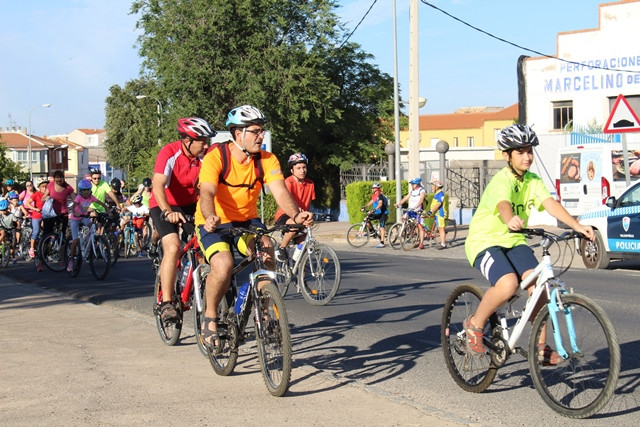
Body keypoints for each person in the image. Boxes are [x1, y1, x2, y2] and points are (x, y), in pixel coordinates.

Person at [463, 124, 594, 364]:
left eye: (530, 151)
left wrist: (576, 226)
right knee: (508, 285)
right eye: (520, 151)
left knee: (540, 287)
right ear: (507, 155)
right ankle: (475, 324)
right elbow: (503, 204)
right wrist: (509, 217)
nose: (527, 157)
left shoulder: (532, 180)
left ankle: (540, 347)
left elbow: (549, 203)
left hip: (514, 240)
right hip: (485, 241)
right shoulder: (500, 180)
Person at [196, 105, 313, 352]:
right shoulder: (216, 156)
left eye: (262, 131)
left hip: (246, 221)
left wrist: (296, 214)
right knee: (224, 265)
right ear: (238, 134)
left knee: (266, 249)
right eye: (256, 131)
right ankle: (210, 317)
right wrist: (209, 216)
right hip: (214, 221)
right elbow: (206, 191)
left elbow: (280, 190)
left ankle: (267, 311)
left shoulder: (267, 159)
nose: (261, 135)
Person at [150, 117, 214, 322]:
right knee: (173, 246)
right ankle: (167, 303)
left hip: (191, 205)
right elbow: (158, 185)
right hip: (164, 203)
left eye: (207, 141)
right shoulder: (169, 152)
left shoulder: (206, 157)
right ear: (187, 141)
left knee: (207, 244)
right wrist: (168, 212)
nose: (206, 145)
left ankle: (204, 286)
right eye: (202, 141)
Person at [273, 152, 316, 261]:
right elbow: (288, 202)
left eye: (304, 167)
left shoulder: (310, 183)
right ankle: (281, 248)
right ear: (292, 170)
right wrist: (300, 213)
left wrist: (309, 217)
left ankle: (299, 271)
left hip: (302, 216)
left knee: (305, 245)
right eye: (298, 168)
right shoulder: (288, 182)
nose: (302, 171)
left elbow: (308, 204)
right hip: (285, 215)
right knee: (295, 224)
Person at [68, 179, 109, 272]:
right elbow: (73, 206)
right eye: (84, 190)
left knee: (92, 226)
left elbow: (101, 203)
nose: (86, 192)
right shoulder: (78, 198)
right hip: (75, 219)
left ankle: (92, 241)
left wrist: (108, 211)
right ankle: (71, 261)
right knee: (75, 240)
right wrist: (74, 213)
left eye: (88, 190)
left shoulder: (91, 197)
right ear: (80, 191)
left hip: (84, 217)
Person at [394, 177, 427, 249]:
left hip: (418, 210)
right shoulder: (412, 191)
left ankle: (421, 243)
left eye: (413, 184)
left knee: (420, 226)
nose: (411, 185)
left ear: (417, 184)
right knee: (403, 218)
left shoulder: (422, 190)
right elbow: (406, 198)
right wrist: (399, 203)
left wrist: (416, 206)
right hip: (411, 209)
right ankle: (407, 230)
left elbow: (421, 200)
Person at [42, 170, 75, 236]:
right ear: (54, 180)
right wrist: (46, 198)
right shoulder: (50, 185)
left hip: (63, 213)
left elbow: (75, 200)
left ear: (63, 178)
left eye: (60, 181)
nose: (59, 183)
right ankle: (45, 245)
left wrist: (75, 208)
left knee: (62, 234)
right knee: (47, 233)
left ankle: (61, 244)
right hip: (50, 213)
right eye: (56, 181)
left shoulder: (68, 187)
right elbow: (42, 198)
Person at [23, 180, 47, 262]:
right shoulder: (36, 194)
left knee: (47, 232)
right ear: (40, 188)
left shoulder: (49, 195)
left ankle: (46, 249)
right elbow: (27, 203)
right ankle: (32, 248)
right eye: (42, 187)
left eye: (45, 187)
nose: (44, 188)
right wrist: (34, 209)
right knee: (36, 231)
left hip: (46, 216)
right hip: (36, 216)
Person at [362, 182, 388, 248]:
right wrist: (364, 206)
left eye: (373, 188)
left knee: (381, 228)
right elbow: (371, 202)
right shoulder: (375, 196)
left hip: (383, 213)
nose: (372, 189)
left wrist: (374, 209)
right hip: (377, 213)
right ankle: (372, 232)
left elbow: (380, 204)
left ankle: (382, 243)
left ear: (376, 189)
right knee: (366, 219)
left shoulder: (380, 195)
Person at [426, 179, 448, 250]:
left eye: (433, 186)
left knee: (441, 229)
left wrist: (431, 211)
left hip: (440, 214)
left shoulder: (441, 194)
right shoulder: (437, 194)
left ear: (437, 187)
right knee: (439, 228)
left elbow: (438, 204)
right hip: (436, 214)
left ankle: (443, 244)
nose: (432, 187)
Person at [0, 199, 19, 266]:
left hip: (10, 229)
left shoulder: (11, 215)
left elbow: (17, 222)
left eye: (4, 209)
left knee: (11, 245)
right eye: (2, 210)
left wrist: (18, 226)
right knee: (3, 233)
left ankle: (13, 258)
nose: (3, 211)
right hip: (2, 227)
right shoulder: (0, 214)